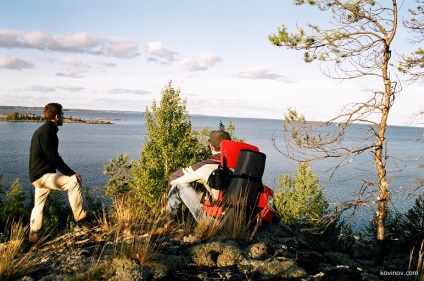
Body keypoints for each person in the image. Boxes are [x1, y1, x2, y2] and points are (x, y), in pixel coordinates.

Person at [28, 103, 89, 243]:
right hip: (44, 176)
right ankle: (82, 221)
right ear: (56, 117)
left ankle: (34, 238)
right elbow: (53, 158)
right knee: (74, 182)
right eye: (62, 115)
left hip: (36, 176)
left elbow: (50, 157)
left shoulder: (43, 130)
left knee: (39, 205)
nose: (63, 117)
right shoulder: (47, 132)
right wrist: (71, 173)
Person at [166, 129, 231, 222]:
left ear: (211, 147)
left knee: (178, 186)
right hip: (238, 221)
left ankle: (175, 221)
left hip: (214, 222)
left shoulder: (206, 166)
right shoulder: (239, 165)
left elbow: (174, 178)